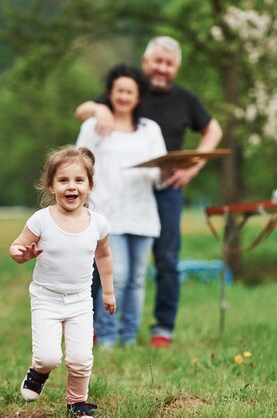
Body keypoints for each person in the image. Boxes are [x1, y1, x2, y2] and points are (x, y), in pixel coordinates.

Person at [75, 36, 223, 348]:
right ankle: (94, 328)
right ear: (145, 63)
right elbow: (83, 111)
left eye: (169, 64)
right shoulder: (123, 91)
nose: (162, 68)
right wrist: (97, 110)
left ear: (177, 68)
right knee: (104, 265)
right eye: (157, 61)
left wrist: (192, 168)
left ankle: (161, 331)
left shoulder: (184, 100)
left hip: (162, 187)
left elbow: (214, 129)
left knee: (165, 261)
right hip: (116, 195)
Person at [9, 145, 115, 417]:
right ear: (51, 186)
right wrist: (23, 255)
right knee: (49, 357)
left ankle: (77, 403)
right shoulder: (41, 220)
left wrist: (108, 293)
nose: (72, 187)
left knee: (81, 359)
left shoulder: (98, 224)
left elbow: (103, 257)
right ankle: (38, 371)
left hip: (80, 300)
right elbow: (16, 247)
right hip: (46, 298)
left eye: (79, 180)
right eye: (63, 180)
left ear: (90, 186)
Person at [76, 63, 167, 348]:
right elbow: (79, 166)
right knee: (116, 276)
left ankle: (127, 337)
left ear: (138, 96)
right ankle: (105, 336)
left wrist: (170, 170)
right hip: (107, 217)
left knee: (137, 280)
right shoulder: (94, 126)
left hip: (143, 215)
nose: (124, 96)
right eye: (119, 91)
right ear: (110, 94)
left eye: (130, 91)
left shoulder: (150, 130)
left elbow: (160, 177)